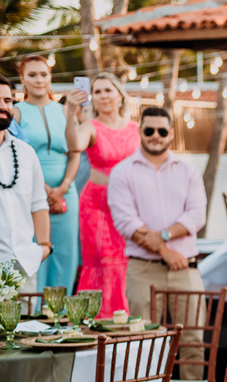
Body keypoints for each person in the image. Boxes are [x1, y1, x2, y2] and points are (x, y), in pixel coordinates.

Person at [108, 106, 208, 380]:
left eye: (161, 131)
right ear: (140, 131)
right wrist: (164, 251)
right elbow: (125, 221)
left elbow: (197, 215)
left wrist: (162, 236)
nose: (155, 136)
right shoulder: (121, 172)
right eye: (149, 130)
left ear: (171, 134)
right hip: (143, 271)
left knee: (192, 343)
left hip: (185, 269)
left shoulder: (188, 171)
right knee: (143, 343)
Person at [70, 72, 138, 317]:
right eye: (97, 91)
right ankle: (95, 321)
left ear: (120, 95)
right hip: (96, 205)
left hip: (129, 205)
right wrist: (70, 115)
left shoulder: (136, 129)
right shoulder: (90, 127)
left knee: (126, 261)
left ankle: (125, 320)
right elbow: (74, 145)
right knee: (101, 261)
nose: (103, 95)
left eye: (108, 90)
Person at [14, 56, 81, 292]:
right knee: (37, 253)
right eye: (32, 75)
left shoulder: (64, 110)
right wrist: (44, 191)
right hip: (32, 194)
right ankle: (36, 317)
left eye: (43, 74)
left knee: (65, 254)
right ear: (22, 79)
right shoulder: (16, 112)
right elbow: (18, 154)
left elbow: (75, 152)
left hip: (66, 193)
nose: (39, 80)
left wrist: (63, 187)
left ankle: (61, 318)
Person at [0, 76, 51, 291]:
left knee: (27, 325)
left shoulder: (25, 152)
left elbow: (38, 203)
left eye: (8, 101)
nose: (3, 107)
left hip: (24, 265)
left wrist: (44, 247)